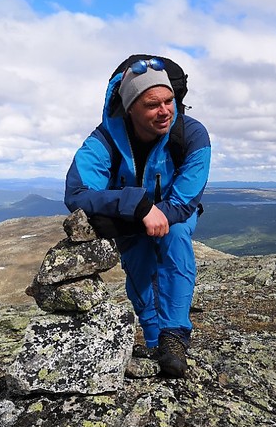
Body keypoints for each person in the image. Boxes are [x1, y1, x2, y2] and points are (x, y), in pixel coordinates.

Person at [64, 55, 211, 378]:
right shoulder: (104, 140)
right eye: (152, 105)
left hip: (174, 211)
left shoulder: (191, 134)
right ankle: (156, 339)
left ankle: (174, 337)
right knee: (138, 264)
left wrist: (153, 214)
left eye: (169, 101)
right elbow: (76, 192)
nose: (165, 111)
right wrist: (138, 206)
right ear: (131, 108)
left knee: (174, 237)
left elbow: (185, 200)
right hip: (130, 214)